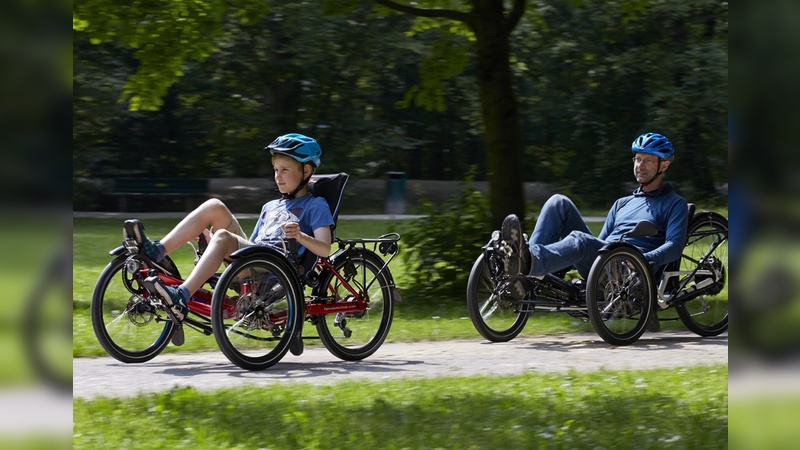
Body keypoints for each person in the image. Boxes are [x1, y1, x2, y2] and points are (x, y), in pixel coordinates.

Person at [124, 133, 335, 326]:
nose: (278, 176)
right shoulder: (270, 206)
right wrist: (213, 242)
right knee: (214, 206)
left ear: (306, 171)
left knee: (223, 236)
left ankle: (181, 296)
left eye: (285, 170)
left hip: (276, 269)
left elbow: (325, 249)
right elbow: (252, 244)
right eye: (276, 170)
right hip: (255, 260)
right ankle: (157, 251)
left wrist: (299, 235)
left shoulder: (316, 205)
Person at [499, 132, 688, 331]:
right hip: (606, 264)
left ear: (664, 165)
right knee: (558, 202)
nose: (640, 166)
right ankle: (529, 272)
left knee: (581, 241)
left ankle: (528, 261)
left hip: (629, 271)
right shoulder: (621, 203)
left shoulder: (675, 204)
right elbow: (600, 242)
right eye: (638, 159)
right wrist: (571, 254)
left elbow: (674, 246)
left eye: (648, 161)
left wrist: (644, 258)